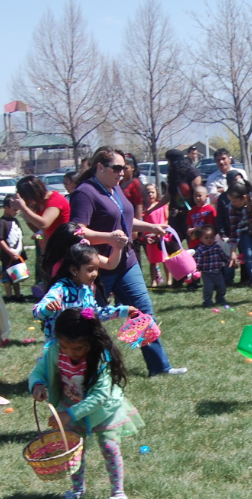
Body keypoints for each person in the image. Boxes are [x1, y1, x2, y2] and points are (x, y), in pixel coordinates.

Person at [69, 146, 185, 376]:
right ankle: (81, 368)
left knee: (143, 312)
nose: (122, 173)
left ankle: (159, 367)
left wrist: (151, 227)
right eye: (117, 168)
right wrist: (108, 238)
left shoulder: (114, 188)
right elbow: (76, 231)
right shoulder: (85, 192)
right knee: (90, 318)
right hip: (98, 267)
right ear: (100, 167)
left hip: (126, 263)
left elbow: (124, 222)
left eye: (124, 167)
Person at [30, 307, 144, 499]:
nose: (70, 352)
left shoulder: (100, 357)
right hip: (71, 405)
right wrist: (37, 384)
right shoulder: (54, 351)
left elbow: (99, 396)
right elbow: (39, 371)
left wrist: (68, 415)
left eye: (78, 348)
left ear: (92, 340)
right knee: (73, 451)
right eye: (65, 346)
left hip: (103, 411)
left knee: (110, 448)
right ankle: (77, 489)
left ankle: (118, 493)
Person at [33, 240, 132, 343]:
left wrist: (123, 310)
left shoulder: (85, 289)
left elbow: (95, 313)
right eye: (90, 270)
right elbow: (37, 311)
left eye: (96, 269)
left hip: (80, 345)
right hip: (60, 348)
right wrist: (47, 308)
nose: (95, 274)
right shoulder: (60, 289)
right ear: (74, 270)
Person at [192, 224, 231, 308]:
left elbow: (223, 256)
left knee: (221, 287)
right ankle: (207, 301)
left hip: (218, 272)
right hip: (207, 274)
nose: (209, 240)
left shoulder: (217, 247)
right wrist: (197, 270)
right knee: (208, 288)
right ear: (201, 239)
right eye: (206, 238)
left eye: (211, 237)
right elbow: (197, 261)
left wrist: (230, 262)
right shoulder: (201, 249)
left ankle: (220, 298)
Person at [0, 195, 26, 300]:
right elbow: (0, 239)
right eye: (14, 209)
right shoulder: (2, 222)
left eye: (17, 210)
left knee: (17, 275)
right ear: (6, 208)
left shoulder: (15, 221)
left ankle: (18, 295)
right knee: (7, 277)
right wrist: (9, 252)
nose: (16, 212)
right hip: (7, 255)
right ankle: (9, 296)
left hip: (17, 255)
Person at [140, 183, 169, 287]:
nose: (150, 194)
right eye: (148, 192)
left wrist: (162, 231)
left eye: (152, 192)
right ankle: (154, 281)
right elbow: (142, 224)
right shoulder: (144, 209)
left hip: (162, 236)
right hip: (150, 237)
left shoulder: (162, 206)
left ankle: (169, 280)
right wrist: (145, 236)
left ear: (157, 192)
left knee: (166, 259)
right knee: (153, 261)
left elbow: (166, 219)